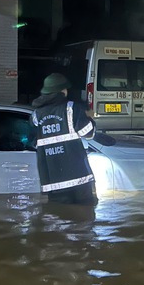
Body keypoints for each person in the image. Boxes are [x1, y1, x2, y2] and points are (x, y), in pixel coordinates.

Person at [30, 72, 98, 206]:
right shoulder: (72, 108)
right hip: (79, 180)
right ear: (62, 91)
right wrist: (90, 118)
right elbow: (88, 133)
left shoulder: (36, 115)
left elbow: (33, 142)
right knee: (85, 218)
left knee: (59, 218)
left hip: (53, 182)